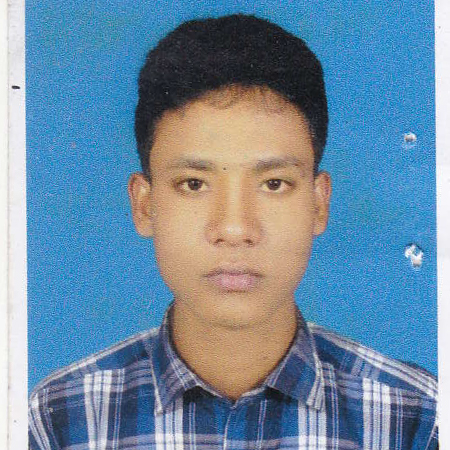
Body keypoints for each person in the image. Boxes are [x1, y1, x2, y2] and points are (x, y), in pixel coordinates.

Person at [28, 14, 438, 449]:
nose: (235, 228)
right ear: (144, 205)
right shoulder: (58, 418)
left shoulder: (416, 419)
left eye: (273, 184)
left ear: (319, 204)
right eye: (194, 184)